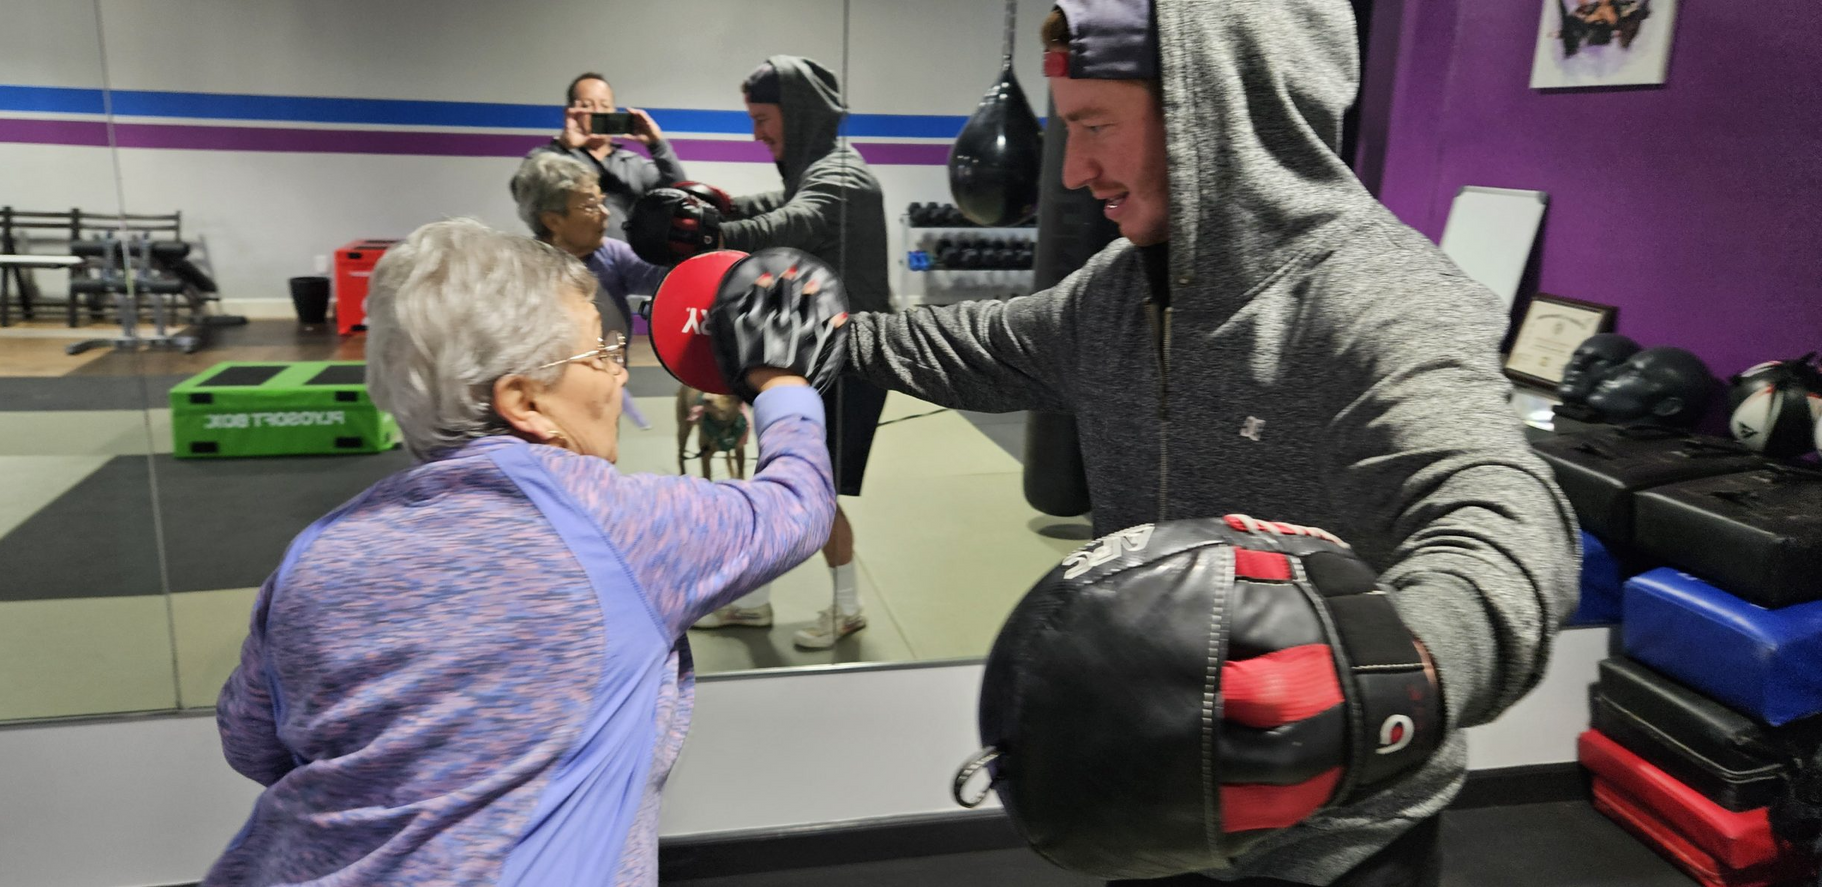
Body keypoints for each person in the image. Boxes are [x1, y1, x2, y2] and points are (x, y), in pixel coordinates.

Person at [836, 2, 1579, 885]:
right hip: (1152, 811)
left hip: (1330, 843)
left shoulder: (1379, 299)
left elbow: (1501, 513)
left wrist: (1400, 671)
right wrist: (827, 338)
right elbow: (976, 343)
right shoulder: (1114, 292)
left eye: (1095, 126)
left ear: (1215, 113)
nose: (1073, 171)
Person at [202, 219, 840, 886]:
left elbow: (250, 742)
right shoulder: (616, 527)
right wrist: (781, 382)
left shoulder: (315, 554)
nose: (619, 372)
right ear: (524, 400)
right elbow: (796, 505)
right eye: (601, 354)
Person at [681, 56, 893, 650]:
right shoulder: (820, 168)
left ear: (794, 113)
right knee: (780, 474)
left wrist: (713, 234)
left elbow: (794, 221)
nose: (756, 134)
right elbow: (775, 203)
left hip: (850, 362)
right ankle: (753, 603)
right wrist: (715, 206)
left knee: (813, 488)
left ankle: (848, 608)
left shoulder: (842, 178)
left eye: (762, 119)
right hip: (820, 353)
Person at [511, 150, 666, 331]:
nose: (605, 213)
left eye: (602, 202)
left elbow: (665, 279)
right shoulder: (520, 272)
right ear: (553, 221)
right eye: (590, 206)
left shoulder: (611, 253)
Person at [535, 72, 687, 240]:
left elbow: (678, 192)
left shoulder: (633, 164)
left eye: (605, 106)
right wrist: (563, 147)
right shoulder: (553, 157)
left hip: (625, 256)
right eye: (586, 105)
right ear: (570, 112)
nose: (598, 112)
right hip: (564, 255)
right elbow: (525, 188)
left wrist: (657, 144)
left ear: (614, 112)